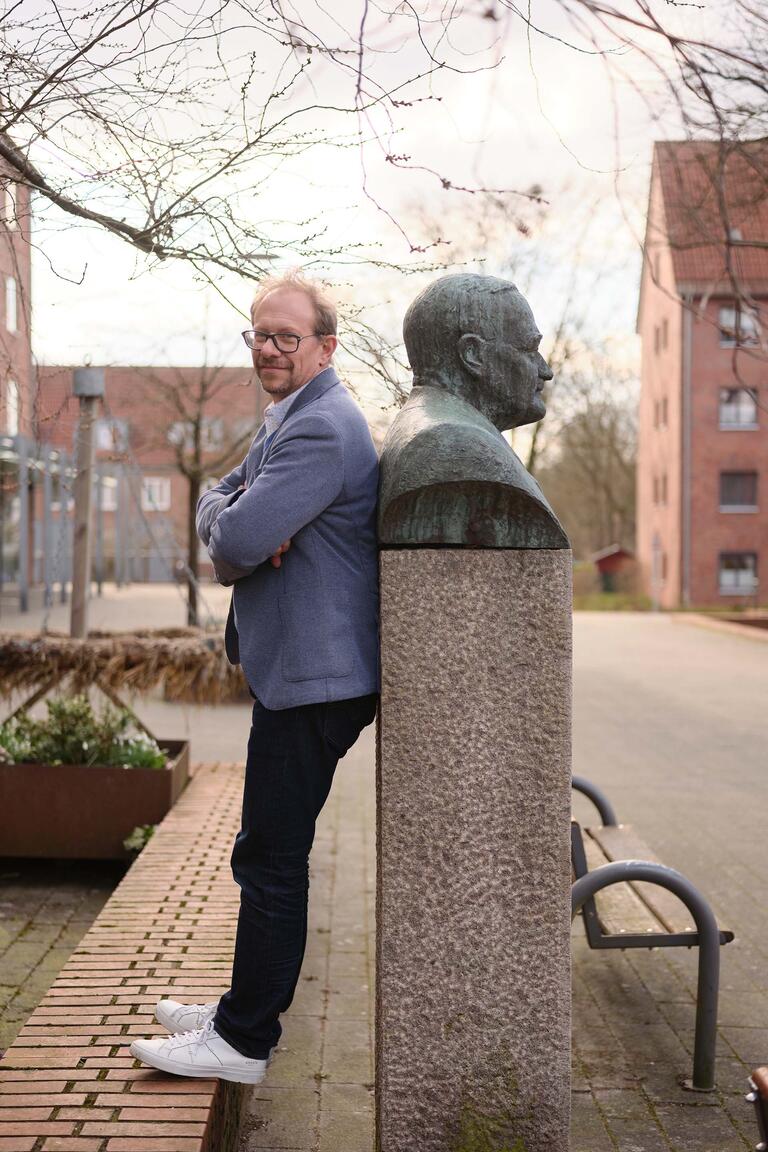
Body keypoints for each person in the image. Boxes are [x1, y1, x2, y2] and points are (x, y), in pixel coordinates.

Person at [130, 271, 379, 1083]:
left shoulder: (321, 429)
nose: (267, 350)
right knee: (266, 850)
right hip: (304, 675)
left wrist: (237, 525)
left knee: (271, 858)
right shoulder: (291, 413)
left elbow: (236, 543)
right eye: (258, 335)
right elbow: (224, 508)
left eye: (285, 338)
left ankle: (242, 1042)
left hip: (316, 679)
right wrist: (229, 517)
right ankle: (240, 1012)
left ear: (325, 346)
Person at [378, 273, 567, 549]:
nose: (545, 371)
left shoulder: (427, 430)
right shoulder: (451, 447)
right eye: (530, 349)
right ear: (473, 355)